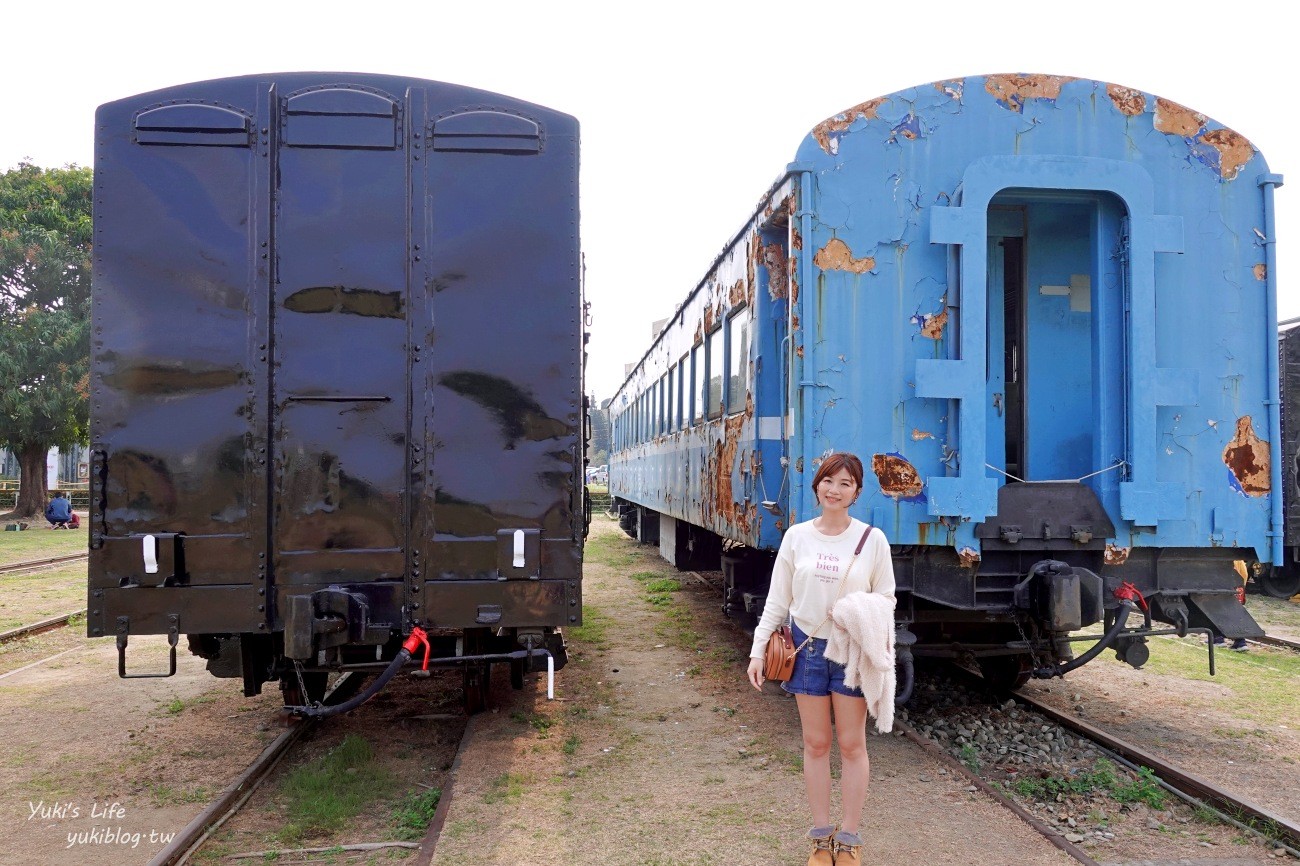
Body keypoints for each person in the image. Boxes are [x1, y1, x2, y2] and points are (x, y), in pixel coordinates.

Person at [746, 452, 895, 866]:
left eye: (845, 483)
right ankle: (819, 839)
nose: (835, 489)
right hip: (806, 647)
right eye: (829, 481)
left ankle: (848, 840)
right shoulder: (797, 536)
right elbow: (779, 599)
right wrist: (758, 649)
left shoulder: (872, 539)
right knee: (815, 744)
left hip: (851, 650)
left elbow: (887, 599)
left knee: (851, 744)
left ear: (857, 492)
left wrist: (852, 612)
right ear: (817, 486)